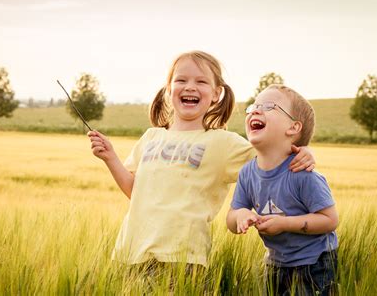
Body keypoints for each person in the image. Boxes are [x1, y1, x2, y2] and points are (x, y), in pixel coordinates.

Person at [88, 51, 315, 267]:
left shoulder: (223, 142)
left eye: (201, 82)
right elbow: (135, 192)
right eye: (181, 80)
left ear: (216, 94)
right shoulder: (151, 137)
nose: (190, 87)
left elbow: (273, 157)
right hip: (131, 250)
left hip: (182, 257)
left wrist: (302, 150)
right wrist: (110, 158)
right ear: (169, 89)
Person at [227, 84, 339, 295]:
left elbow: (330, 220)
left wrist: (285, 224)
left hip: (314, 263)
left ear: (293, 128)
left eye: (269, 106)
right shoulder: (247, 174)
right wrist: (240, 214)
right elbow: (231, 220)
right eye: (254, 106)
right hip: (275, 263)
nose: (256, 110)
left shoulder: (303, 175)